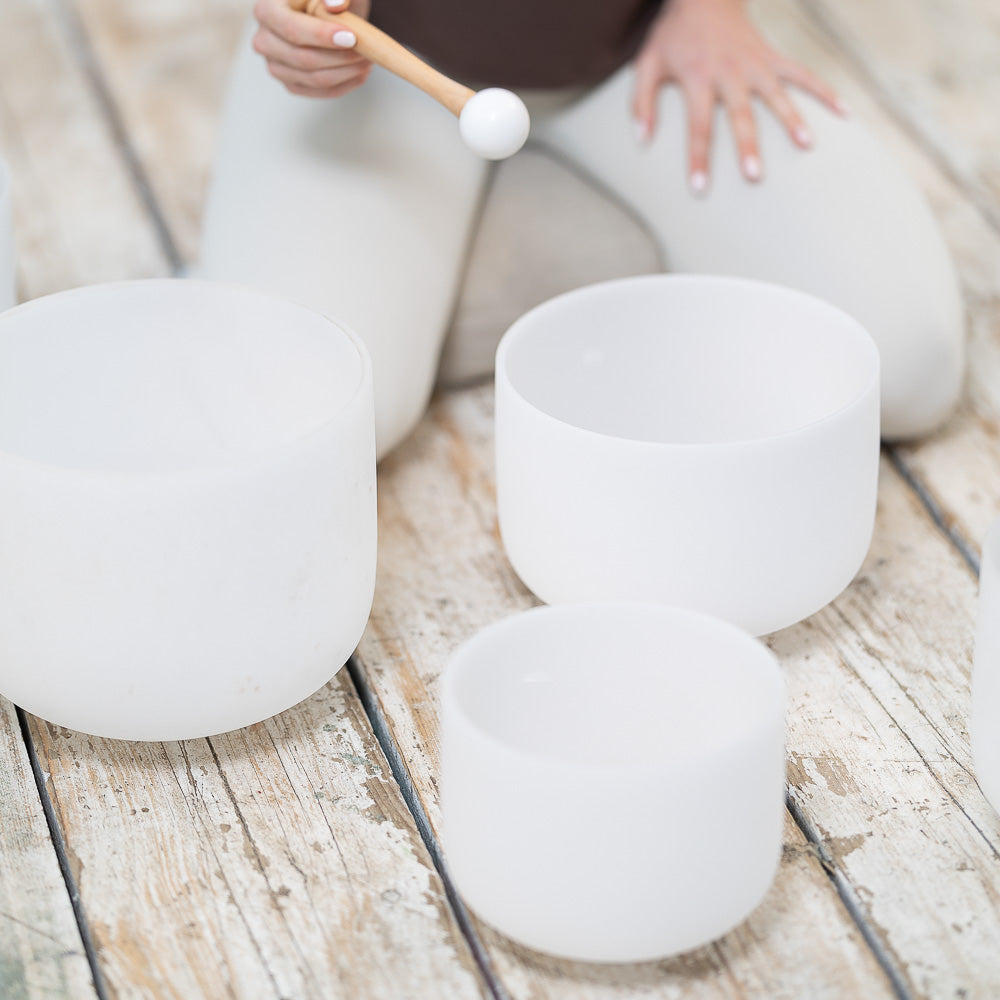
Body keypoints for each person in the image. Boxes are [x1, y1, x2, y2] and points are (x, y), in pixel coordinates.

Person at [200, 0, 964, 458]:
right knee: (311, 414)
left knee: (904, 365)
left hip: (641, 46)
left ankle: (517, 238)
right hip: (384, 54)